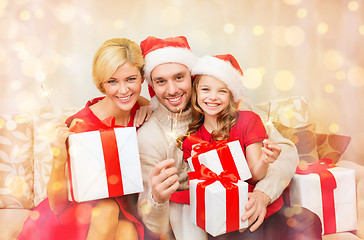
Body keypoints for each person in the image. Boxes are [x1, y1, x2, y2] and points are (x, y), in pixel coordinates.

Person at [136, 36, 322, 240]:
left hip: (250, 201)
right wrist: (158, 198)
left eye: (179, 77)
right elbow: (152, 222)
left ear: (192, 77)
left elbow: (286, 152)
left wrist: (263, 194)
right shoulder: (149, 136)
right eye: (161, 81)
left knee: (307, 220)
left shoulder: (229, 106)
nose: (172, 90)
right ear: (152, 85)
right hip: (204, 222)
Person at [18, 38, 152, 240]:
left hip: (121, 210)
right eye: (112, 82)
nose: (124, 90)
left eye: (131, 79)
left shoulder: (139, 106)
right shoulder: (81, 126)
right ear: (101, 84)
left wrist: (151, 108)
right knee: (107, 208)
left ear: (142, 78)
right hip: (74, 213)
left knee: (128, 231)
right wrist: (59, 158)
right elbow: (58, 205)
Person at [180, 54, 281, 185]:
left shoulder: (248, 121)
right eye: (205, 89)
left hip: (246, 196)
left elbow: (254, 177)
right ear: (196, 93)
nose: (213, 97)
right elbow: (202, 186)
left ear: (231, 96)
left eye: (222, 91)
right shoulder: (191, 141)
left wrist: (265, 160)